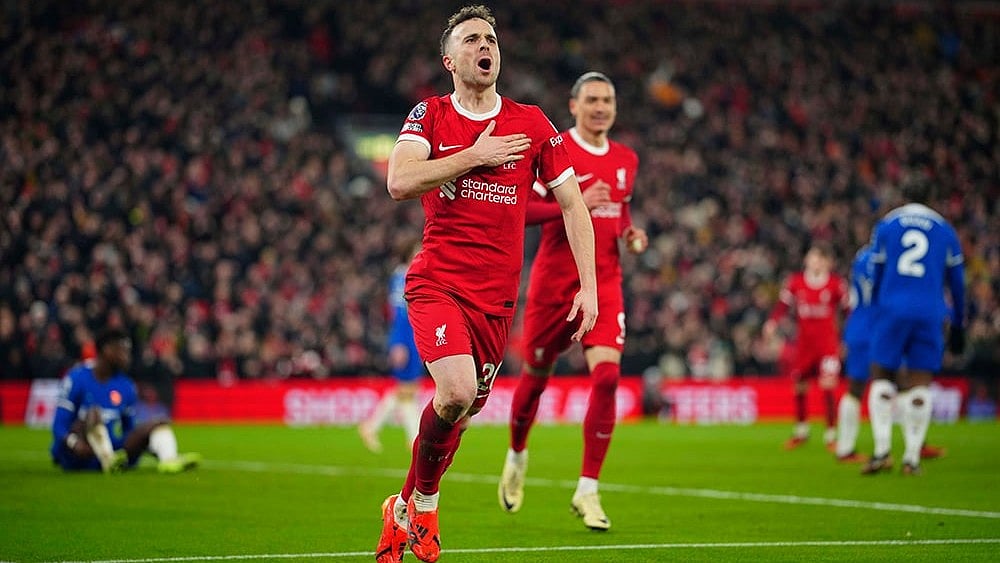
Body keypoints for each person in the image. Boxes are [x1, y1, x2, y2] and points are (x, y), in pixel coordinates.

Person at [376, 6, 598, 563]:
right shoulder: (429, 115)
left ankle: (400, 505)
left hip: (497, 302)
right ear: (450, 59)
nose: (486, 46)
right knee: (453, 393)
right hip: (438, 283)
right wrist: (473, 156)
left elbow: (573, 205)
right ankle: (424, 504)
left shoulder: (533, 123)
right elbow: (399, 181)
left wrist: (588, 287)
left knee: (462, 413)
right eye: (473, 38)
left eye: (491, 38)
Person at [497, 71, 646, 531]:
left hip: (602, 282)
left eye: (608, 100)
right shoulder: (554, 148)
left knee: (607, 377)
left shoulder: (626, 160)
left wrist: (630, 234)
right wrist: (575, 198)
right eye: (593, 100)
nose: (601, 107)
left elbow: (619, 212)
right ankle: (518, 454)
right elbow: (521, 211)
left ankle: (588, 489)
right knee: (535, 381)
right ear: (574, 105)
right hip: (552, 287)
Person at [861, 176, 964, 476]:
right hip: (930, 311)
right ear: (931, 197)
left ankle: (881, 452)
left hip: (892, 308)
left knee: (882, 374)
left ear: (904, 196)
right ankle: (912, 458)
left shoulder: (888, 225)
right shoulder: (945, 230)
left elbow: (875, 271)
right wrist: (958, 324)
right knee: (920, 382)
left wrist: (877, 307)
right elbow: (957, 283)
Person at [834, 244, 946, 464]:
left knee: (860, 387)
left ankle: (848, 448)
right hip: (882, 327)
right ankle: (912, 446)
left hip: (859, 326)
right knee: (902, 381)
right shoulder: (890, 257)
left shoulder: (862, 256)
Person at [50, 328, 201, 474]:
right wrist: (74, 444)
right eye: (123, 350)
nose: (127, 356)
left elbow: (128, 429)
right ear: (107, 350)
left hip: (108, 446)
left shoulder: (126, 385)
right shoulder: (76, 378)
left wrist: (145, 441)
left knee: (157, 424)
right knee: (93, 413)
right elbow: (59, 425)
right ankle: (108, 460)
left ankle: (169, 460)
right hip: (77, 453)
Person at [764, 242, 848, 450]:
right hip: (804, 345)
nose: (815, 261)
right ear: (806, 260)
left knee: (828, 387)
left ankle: (831, 436)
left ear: (828, 262)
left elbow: (849, 311)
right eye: (813, 257)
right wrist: (772, 323)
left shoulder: (836, 285)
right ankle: (801, 432)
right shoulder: (796, 283)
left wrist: (848, 339)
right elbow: (782, 306)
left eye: (820, 258)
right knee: (800, 386)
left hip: (827, 345)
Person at [360, 240, 424, 453]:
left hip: (415, 336)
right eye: (418, 250)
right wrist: (398, 343)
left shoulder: (410, 274)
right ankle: (413, 436)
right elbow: (399, 313)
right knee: (407, 388)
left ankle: (371, 427)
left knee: (408, 389)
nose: (421, 253)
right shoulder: (403, 277)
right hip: (406, 337)